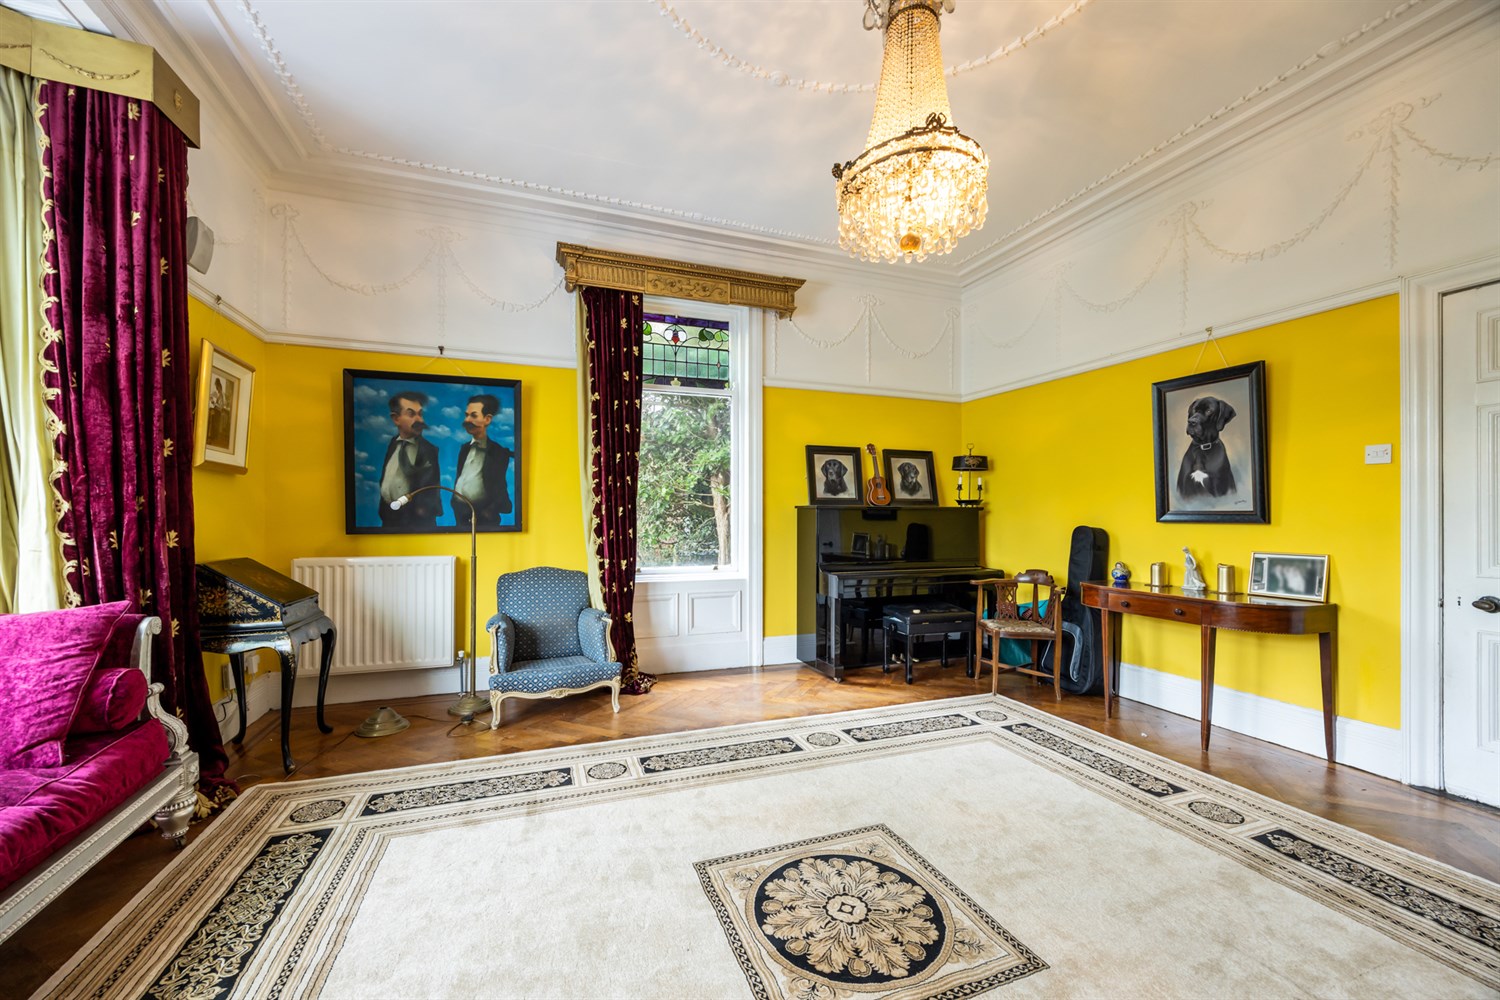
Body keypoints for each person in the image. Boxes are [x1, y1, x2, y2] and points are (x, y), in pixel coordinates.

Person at [378, 390, 442, 529]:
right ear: (396, 419)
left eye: (420, 414)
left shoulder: (429, 450)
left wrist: (421, 512)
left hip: (416, 522)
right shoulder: (393, 444)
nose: (419, 420)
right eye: (411, 414)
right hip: (389, 518)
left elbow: (430, 488)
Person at [453, 393, 513, 529]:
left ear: (487, 419)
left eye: (473, 415)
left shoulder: (498, 452)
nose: (467, 420)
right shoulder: (464, 449)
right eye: (466, 415)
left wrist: (489, 511)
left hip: (484, 517)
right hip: (460, 514)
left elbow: (499, 485)